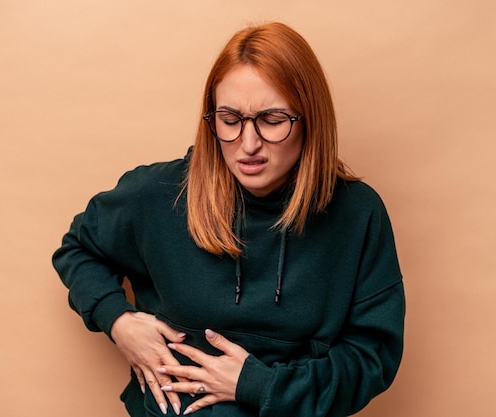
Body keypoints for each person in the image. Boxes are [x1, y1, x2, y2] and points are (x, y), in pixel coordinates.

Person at [52, 22, 405, 417]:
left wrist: (257, 385)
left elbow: (372, 357)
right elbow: (78, 250)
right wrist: (118, 319)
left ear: (310, 120)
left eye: (272, 120)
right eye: (230, 119)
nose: (248, 144)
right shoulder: (160, 194)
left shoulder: (357, 213)